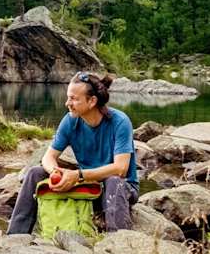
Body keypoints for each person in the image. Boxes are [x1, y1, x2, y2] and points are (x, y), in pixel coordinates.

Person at [7, 71, 137, 235]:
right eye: (68, 97)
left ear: (92, 101)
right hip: (87, 185)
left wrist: (77, 176)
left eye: (74, 99)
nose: (67, 103)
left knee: (113, 180)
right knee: (35, 173)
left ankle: (119, 241)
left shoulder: (120, 122)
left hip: (120, 189)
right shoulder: (70, 120)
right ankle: (15, 236)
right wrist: (56, 172)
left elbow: (121, 168)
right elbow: (48, 157)